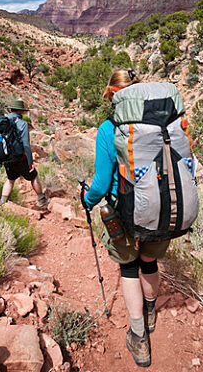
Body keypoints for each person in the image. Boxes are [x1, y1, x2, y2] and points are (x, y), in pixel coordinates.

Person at [84, 69, 169, 368]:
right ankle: (151, 313)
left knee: (129, 267)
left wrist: (87, 200)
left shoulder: (109, 128)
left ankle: (139, 338)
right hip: (162, 208)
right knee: (150, 262)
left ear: (111, 95)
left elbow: (100, 182)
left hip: (127, 214)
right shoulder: (164, 122)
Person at [0, 99, 49, 209]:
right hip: (20, 158)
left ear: (11, 110)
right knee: (34, 176)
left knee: (10, 180)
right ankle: (41, 199)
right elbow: (26, 145)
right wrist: (30, 162)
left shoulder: (3, 121)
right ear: (21, 111)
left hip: (6, 157)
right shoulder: (22, 124)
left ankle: (2, 203)